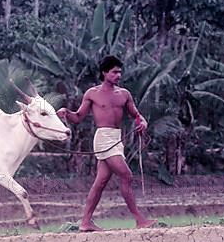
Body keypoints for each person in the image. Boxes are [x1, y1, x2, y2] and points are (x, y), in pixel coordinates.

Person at [57, 55, 157, 231]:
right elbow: (78, 117)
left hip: (117, 139)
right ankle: (140, 220)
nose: (118, 75)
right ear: (104, 73)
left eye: (119, 72)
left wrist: (142, 122)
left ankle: (85, 222)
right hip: (103, 138)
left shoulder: (124, 94)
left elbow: (136, 115)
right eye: (114, 72)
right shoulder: (92, 93)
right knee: (126, 176)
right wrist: (66, 112)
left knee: (100, 182)